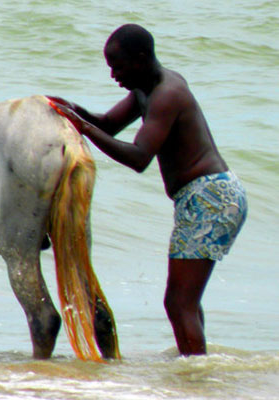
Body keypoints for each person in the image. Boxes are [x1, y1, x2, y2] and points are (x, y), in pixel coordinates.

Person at [48, 24, 247, 356]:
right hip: (205, 197)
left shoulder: (167, 94)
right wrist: (69, 109)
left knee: (179, 301)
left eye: (119, 66)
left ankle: (196, 379)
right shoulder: (145, 90)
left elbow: (139, 157)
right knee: (185, 301)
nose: (113, 74)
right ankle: (197, 365)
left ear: (140, 60)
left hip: (210, 198)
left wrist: (83, 128)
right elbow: (109, 124)